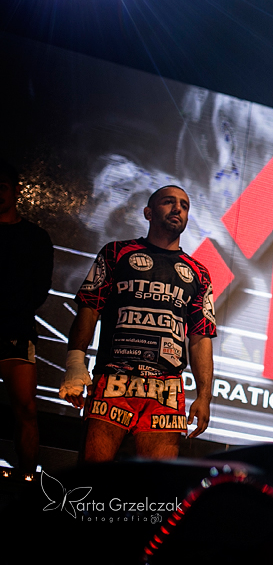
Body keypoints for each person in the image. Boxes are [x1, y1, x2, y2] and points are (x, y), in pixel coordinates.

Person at [59, 185, 216, 462]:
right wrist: (74, 363)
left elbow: (200, 337)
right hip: (113, 376)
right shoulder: (116, 253)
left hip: (166, 387)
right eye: (169, 202)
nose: (177, 208)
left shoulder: (198, 273)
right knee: (92, 475)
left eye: (184, 205)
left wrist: (204, 397)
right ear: (148, 213)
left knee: (157, 483)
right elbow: (90, 308)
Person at [0, 161, 53, 477]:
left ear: (16, 190)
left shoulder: (35, 237)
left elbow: (40, 289)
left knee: (27, 409)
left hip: (16, 333)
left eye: (2, 186)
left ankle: (27, 480)